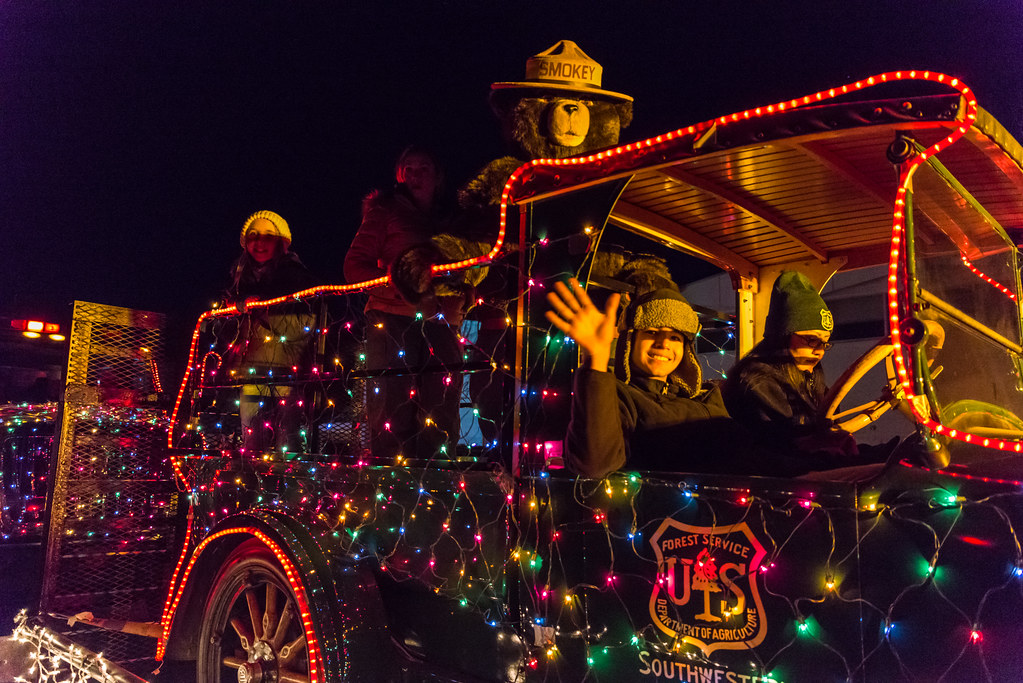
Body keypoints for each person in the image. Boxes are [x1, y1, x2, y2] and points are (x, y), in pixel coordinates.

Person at [546, 278, 739, 478]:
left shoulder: (708, 396)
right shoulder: (617, 397)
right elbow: (594, 464)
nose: (664, 343)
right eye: (652, 332)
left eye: (675, 337)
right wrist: (596, 359)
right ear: (630, 341)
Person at [343, 146, 464, 459]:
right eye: (407, 168)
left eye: (423, 168)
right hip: (392, 317)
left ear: (438, 177)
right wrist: (399, 285)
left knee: (441, 407)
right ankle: (391, 486)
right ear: (398, 175)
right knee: (392, 408)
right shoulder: (385, 211)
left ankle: (439, 485)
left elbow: (470, 264)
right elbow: (354, 265)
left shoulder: (452, 217)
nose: (415, 175)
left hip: (442, 321)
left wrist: (467, 291)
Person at [721, 270, 878, 476]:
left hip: (806, 469)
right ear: (783, 335)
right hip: (780, 481)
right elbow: (787, 445)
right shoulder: (757, 380)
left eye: (824, 341)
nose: (819, 349)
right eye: (811, 339)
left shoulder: (809, 377)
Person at [220, 210, 317, 454]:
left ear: (281, 242)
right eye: (253, 235)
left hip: (287, 372)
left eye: (267, 236)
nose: (259, 242)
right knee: (251, 446)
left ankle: (294, 492)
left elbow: (303, 325)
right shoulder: (238, 281)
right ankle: (251, 491)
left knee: (289, 445)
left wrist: (258, 306)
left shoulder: (296, 277)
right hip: (249, 372)